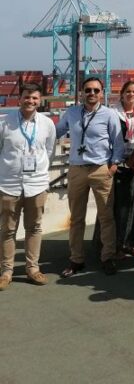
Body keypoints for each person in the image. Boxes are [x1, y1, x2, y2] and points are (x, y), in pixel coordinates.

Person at [56, 77, 124, 277]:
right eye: (88, 90)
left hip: (101, 169)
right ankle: (76, 259)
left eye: (96, 90)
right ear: (81, 93)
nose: (92, 94)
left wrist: (113, 165)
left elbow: (118, 142)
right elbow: (57, 131)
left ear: (102, 93)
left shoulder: (110, 115)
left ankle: (107, 257)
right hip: (77, 169)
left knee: (106, 217)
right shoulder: (72, 112)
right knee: (76, 218)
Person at [0, 83, 56, 290]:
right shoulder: (4, 124)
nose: (30, 101)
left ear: (39, 100)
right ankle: (6, 271)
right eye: (26, 97)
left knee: (34, 228)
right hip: (9, 185)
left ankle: (32, 268)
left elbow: (48, 151)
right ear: (19, 98)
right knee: (7, 230)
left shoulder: (47, 124)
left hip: (36, 184)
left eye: (34, 98)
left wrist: (40, 174)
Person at [112, 81, 134, 257]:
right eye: (128, 92)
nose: (131, 94)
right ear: (122, 94)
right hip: (118, 163)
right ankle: (118, 244)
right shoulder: (113, 113)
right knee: (120, 206)